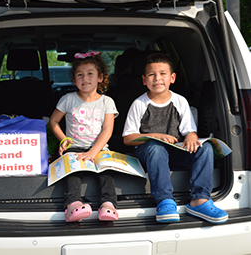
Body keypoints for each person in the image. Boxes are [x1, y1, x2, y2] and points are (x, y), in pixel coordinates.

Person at [122, 52, 228, 224]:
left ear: (172, 78)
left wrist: (192, 137)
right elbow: (128, 138)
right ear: (144, 79)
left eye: (162, 74)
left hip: (175, 153)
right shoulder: (139, 104)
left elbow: (190, 131)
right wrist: (154, 136)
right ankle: (165, 201)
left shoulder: (180, 102)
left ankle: (199, 200)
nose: (157, 79)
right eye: (151, 75)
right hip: (148, 155)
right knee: (157, 148)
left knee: (205, 147)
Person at [49, 51, 119, 222]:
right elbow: (53, 122)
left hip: (100, 148)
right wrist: (64, 139)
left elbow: (107, 130)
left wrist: (93, 153)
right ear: (74, 80)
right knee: (72, 174)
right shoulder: (68, 99)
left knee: (106, 173)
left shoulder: (106, 102)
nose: (85, 78)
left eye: (90, 74)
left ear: (100, 77)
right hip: (74, 147)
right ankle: (73, 205)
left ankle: (108, 205)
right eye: (79, 75)